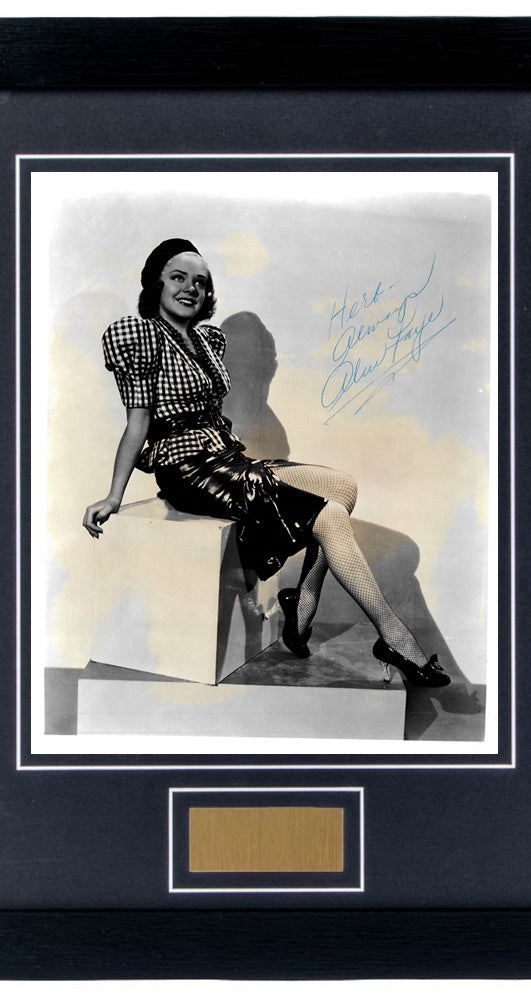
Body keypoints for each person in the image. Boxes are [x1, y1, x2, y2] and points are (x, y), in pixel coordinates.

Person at [82, 238, 449, 688]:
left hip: (226, 457)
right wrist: (113, 496)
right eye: (178, 277)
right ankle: (392, 636)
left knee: (343, 488)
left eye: (201, 282)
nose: (191, 288)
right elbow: (137, 423)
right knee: (329, 516)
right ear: (155, 283)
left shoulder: (206, 339)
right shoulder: (137, 335)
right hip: (190, 471)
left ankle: (302, 605)